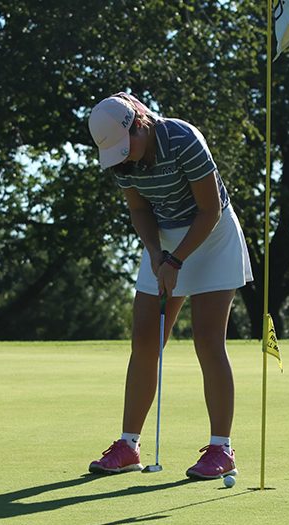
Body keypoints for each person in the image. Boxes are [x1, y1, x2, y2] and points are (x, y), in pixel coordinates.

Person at [86, 92, 253, 479]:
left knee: (208, 341)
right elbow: (139, 209)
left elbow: (209, 209)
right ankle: (128, 445)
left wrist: (177, 260)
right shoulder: (122, 160)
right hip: (162, 238)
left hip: (211, 236)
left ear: (140, 125)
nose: (126, 157)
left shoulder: (182, 139)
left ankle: (221, 449)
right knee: (145, 339)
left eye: (129, 147)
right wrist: (158, 254)